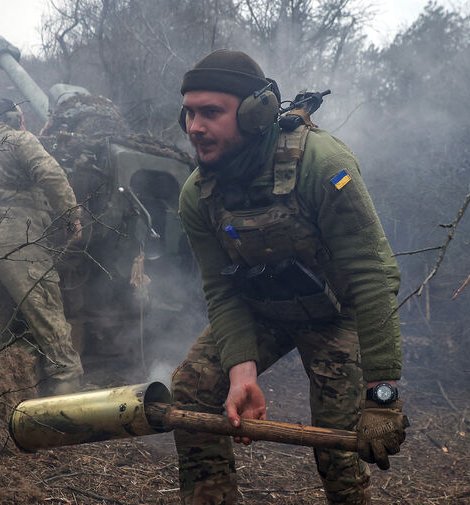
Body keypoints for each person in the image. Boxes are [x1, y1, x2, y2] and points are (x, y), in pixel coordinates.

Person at [171, 50, 407, 504]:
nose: (195, 126)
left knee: (336, 447)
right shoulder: (198, 194)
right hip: (265, 309)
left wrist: (383, 394)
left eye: (211, 112)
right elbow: (222, 288)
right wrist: (242, 372)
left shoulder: (323, 164)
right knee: (192, 391)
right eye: (189, 112)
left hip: (336, 314)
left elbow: (371, 277)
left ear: (255, 112)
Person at [0, 99, 83, 396]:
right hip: (18, 245)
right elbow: (49, 173)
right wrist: (71, 217)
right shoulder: (18, 140)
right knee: (53, 334)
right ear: (14, 119)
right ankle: (69, 414)